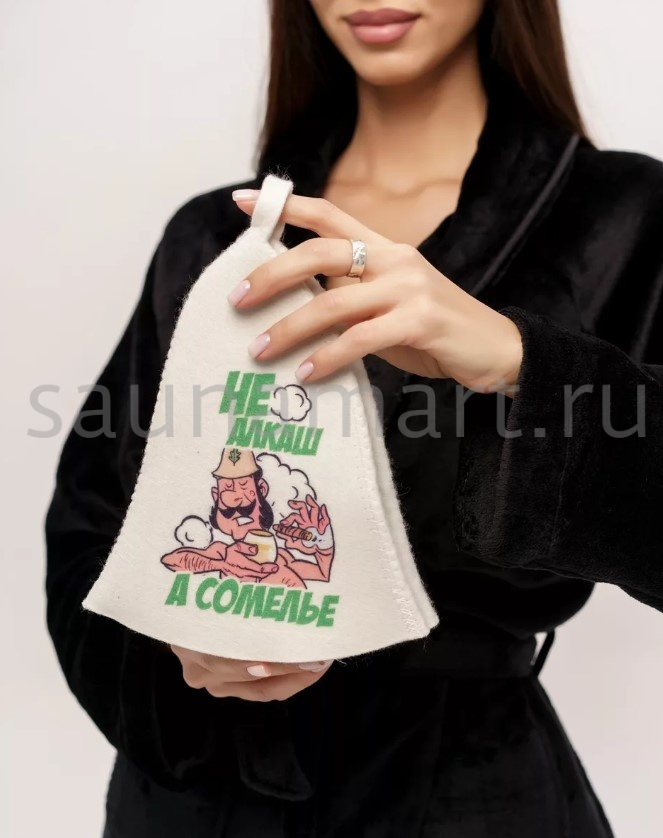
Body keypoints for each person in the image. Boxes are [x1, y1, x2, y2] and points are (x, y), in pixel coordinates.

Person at [44, 1, 663, 836]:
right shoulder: (215, 236)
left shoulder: (620, 215)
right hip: (198, 798)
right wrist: (177, 653)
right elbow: (91, 522)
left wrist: (518, 359)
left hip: (466, 798)